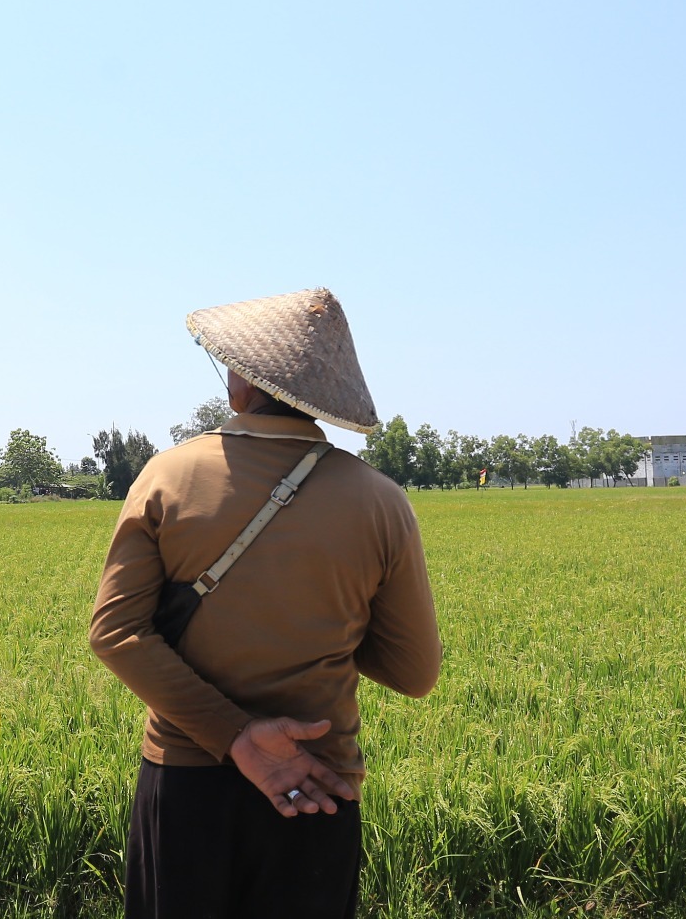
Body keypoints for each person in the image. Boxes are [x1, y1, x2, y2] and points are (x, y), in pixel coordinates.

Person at [89, 288, 441, 919]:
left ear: (241, 384)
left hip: (187, 783)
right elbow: (416, 674)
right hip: (317, 784)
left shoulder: (167, 475)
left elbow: (116, 634)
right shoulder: (381, 500)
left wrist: (237, 736)